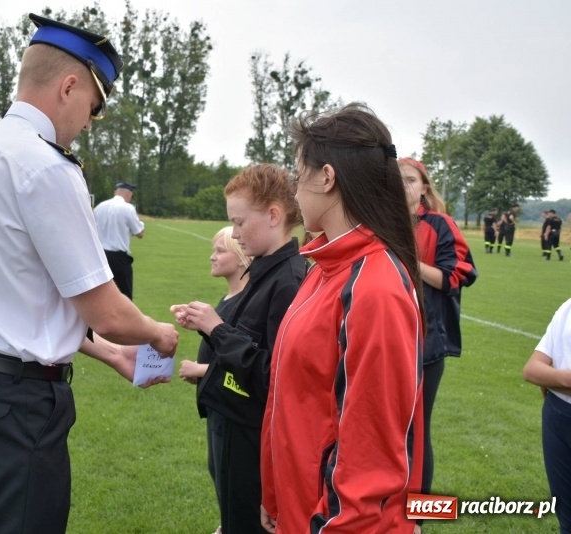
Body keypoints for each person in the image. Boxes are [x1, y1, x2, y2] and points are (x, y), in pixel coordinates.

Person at [0, 15, 178, 534]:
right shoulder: (47, 167)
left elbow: (26, 300)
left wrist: (112, 352)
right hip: (18, 401)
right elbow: (110, 313)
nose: (89, 122)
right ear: (69, 86)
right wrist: (158, 334)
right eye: (93, 107)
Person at [260, 104, 424, 533]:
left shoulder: (375, 287)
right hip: (300, 511)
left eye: (299, 175)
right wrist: (275, 491)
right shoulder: (324, 269)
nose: (294, 189)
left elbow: (372, 447)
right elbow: (294, 397)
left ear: (327, 177)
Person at [171, 163, 307, 534]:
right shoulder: (263, 270)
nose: (234, 234)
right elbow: (246, 343)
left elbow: (273, 377)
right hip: (234, 426)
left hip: (252, 439)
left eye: (239, 222)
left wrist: (217, 329)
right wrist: (208, 328)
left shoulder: (289, 282)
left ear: (274, 216)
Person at [399, 157, 477, 532]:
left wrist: (406, 262)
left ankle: (420, 517)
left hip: (426, 343)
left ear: (425, 187)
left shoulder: (439, 224)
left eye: (410, 179)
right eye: (395, 179)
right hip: (385, 339)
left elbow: (455, 277)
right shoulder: (381, 219)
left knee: (417, 428)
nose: (403, 185)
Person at [178, 226, 251, 534]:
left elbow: (249, 368)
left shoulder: (248, 303)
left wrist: (199, 370)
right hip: (217, 408)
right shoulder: (229, 297)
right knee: (218, 472)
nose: (212, 255)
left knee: (233, 478)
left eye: (220, 250)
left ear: (241, 256)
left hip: (234, 414)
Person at [523, 299, 571, 534]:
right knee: (567, 519)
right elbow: (532, 369)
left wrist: (552, 378)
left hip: (556, 406)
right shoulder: (568, 308)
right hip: (558, 417)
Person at [93, 181, 145, 299]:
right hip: (119, 259)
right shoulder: (128, 208)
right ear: (129, 194)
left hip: (99, 257)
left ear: (115, 192)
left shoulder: (99, 207)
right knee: (124, 297)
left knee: (101, 297)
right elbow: (140, 233)